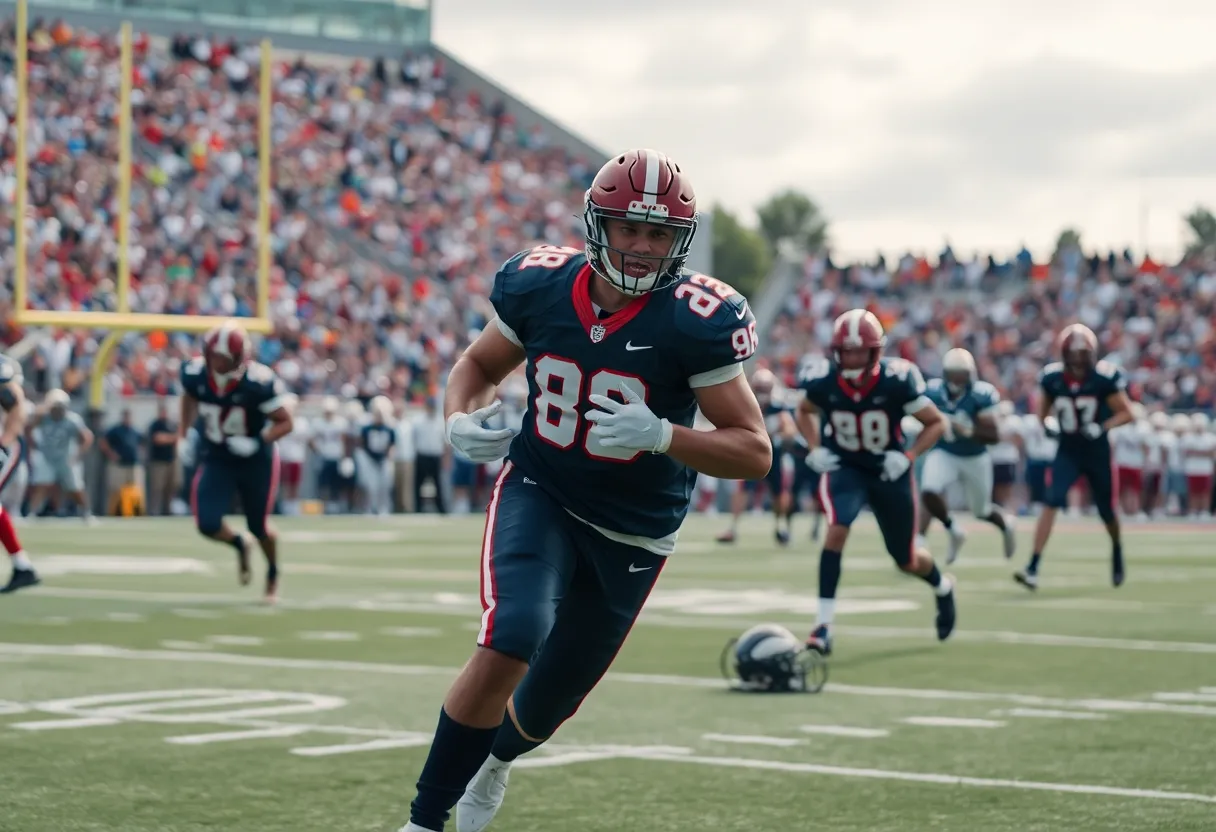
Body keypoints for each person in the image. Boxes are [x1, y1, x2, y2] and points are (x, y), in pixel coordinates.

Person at [399, 148, 771, 832]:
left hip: (634, 527)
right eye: (628, 228)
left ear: (678, 243)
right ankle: (424, 822)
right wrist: (458, 416)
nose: (639, 246)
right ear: (597, 223)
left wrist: (662, 435)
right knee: (513, 632)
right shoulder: (540, 286)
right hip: (541, 486)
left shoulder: (693, 318)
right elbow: (479, 363)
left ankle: (495, 762)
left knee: (544, 709)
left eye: (657, 234)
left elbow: (753, 451)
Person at [795, 309, 956, 657]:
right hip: (845, 467)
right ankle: (823, 626)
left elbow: (936, 423)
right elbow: (803, 410)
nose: (852, 358)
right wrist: (814, 448)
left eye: (859, 351)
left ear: (875, 352)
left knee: (907, 560)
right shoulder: (822, 380)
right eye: (846, 351)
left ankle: (943, 587)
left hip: (888, 469)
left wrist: (908, 456)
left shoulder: (897, 380)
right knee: (837, 530)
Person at [178, 320, 295, 603]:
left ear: (239, 359)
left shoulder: (259, 383)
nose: (217, 362)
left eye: (224, 357)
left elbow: (286, 423)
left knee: (259, 525)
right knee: (206, 522)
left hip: (256, 459)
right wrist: (183, 435)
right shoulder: (195, 373)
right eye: (213, 356)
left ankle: (272, 573)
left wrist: (258, 441)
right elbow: (189, 397)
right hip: (218, 455)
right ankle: (239, 543)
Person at [1014, 324, 1134, 590]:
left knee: (1106, 510)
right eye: (1075, 356)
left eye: (1083, 356)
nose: (1079, 363)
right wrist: (1047, 424)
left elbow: (1128, 413)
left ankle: (1116, 548)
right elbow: (1041, 413)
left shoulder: (1105, 379)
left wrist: (1103, 427)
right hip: (1068, 449)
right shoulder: (1053, 379)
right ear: (1065, 355)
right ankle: (1033, 565)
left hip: (1097, 451)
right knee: (1052, 500)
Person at [918, 348, 1016, 563]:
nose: (958, 378)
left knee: (981, 511)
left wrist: (969, 430)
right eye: (954, 373)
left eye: (962, 373)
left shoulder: (982, 394)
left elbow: (993, 436)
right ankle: (950, 530)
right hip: (945, 452)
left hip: (975, 457)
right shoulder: (932, 392)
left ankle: (1006, 525)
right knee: (929, 490)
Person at [0, 354, 35, 593]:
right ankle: (23, 566)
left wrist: (4, 443)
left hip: (5, 445)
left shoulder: (4, 369)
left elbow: (15, 401)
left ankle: (23, 567)